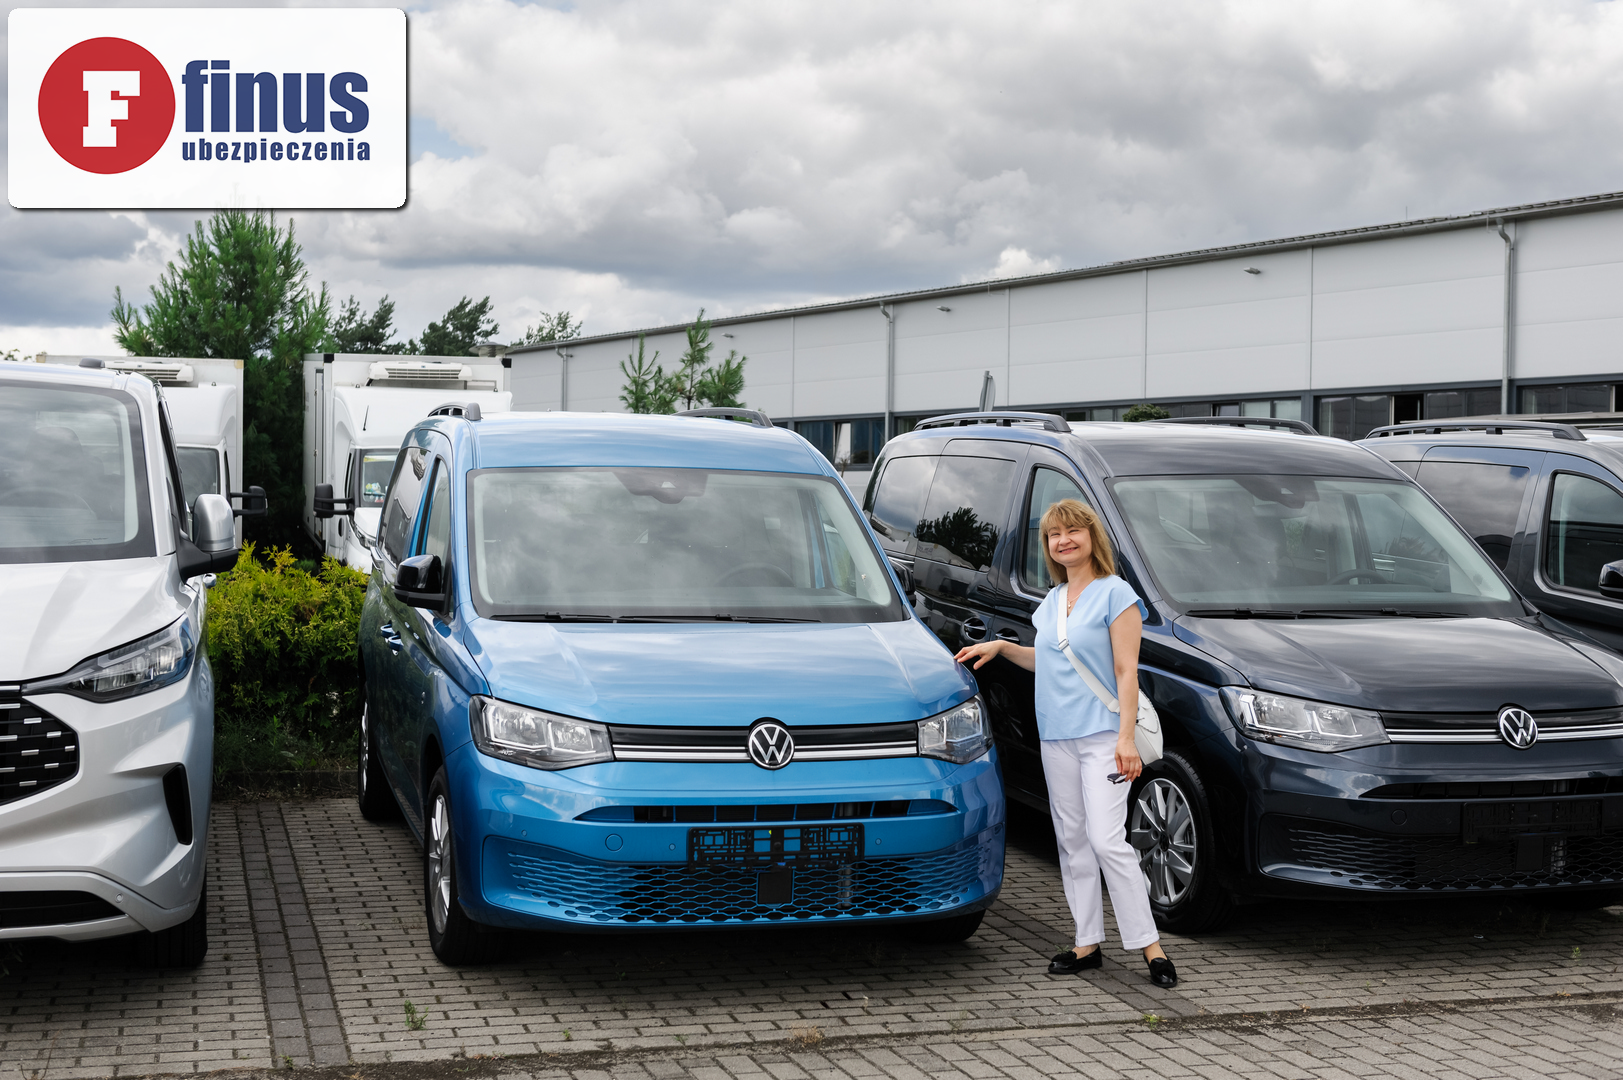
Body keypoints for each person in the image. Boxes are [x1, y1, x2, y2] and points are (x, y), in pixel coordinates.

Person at [955, 498, 1177, 988]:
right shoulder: (1053, 601)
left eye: (1073, 531)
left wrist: (1125, 739)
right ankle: (1086, 943)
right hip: (1056, 736)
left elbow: (1126, 671)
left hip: (1104, 736)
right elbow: (1051, 659)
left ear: (1091, 536)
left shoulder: (1116, 594)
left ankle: (1150, 947)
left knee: (1107, 840)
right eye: (1054, 534)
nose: (1063, 540)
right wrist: (1003, 648)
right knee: (1072, 840)